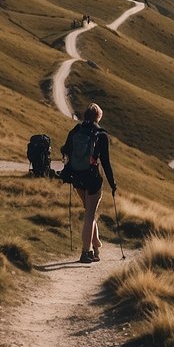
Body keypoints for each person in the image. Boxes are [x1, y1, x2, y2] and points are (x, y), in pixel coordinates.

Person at [61, 103, 116, 263]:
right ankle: (86, 252)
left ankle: (96, 247)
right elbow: (106, 163)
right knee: (90, 215)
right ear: (99, 117)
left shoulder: (76, 130)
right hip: (93, 179)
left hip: (77, 177)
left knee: (89, 213)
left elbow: (65, 149)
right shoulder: (101, 135)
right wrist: (113, 184)